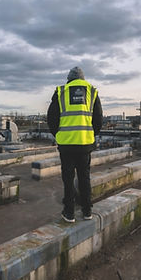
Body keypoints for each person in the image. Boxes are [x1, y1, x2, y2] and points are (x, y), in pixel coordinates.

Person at [46, 65, 103, 223]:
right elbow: (98, 118)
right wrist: (91, 134)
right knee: (85, 177)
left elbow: (51, 118)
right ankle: (87, 211)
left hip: (66, 145)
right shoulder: (91, 92)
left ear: (69, 79)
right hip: (85, 143)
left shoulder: (61, 92)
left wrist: (58, 134)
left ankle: (69, 212)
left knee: (68, 179)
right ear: (82, 79)